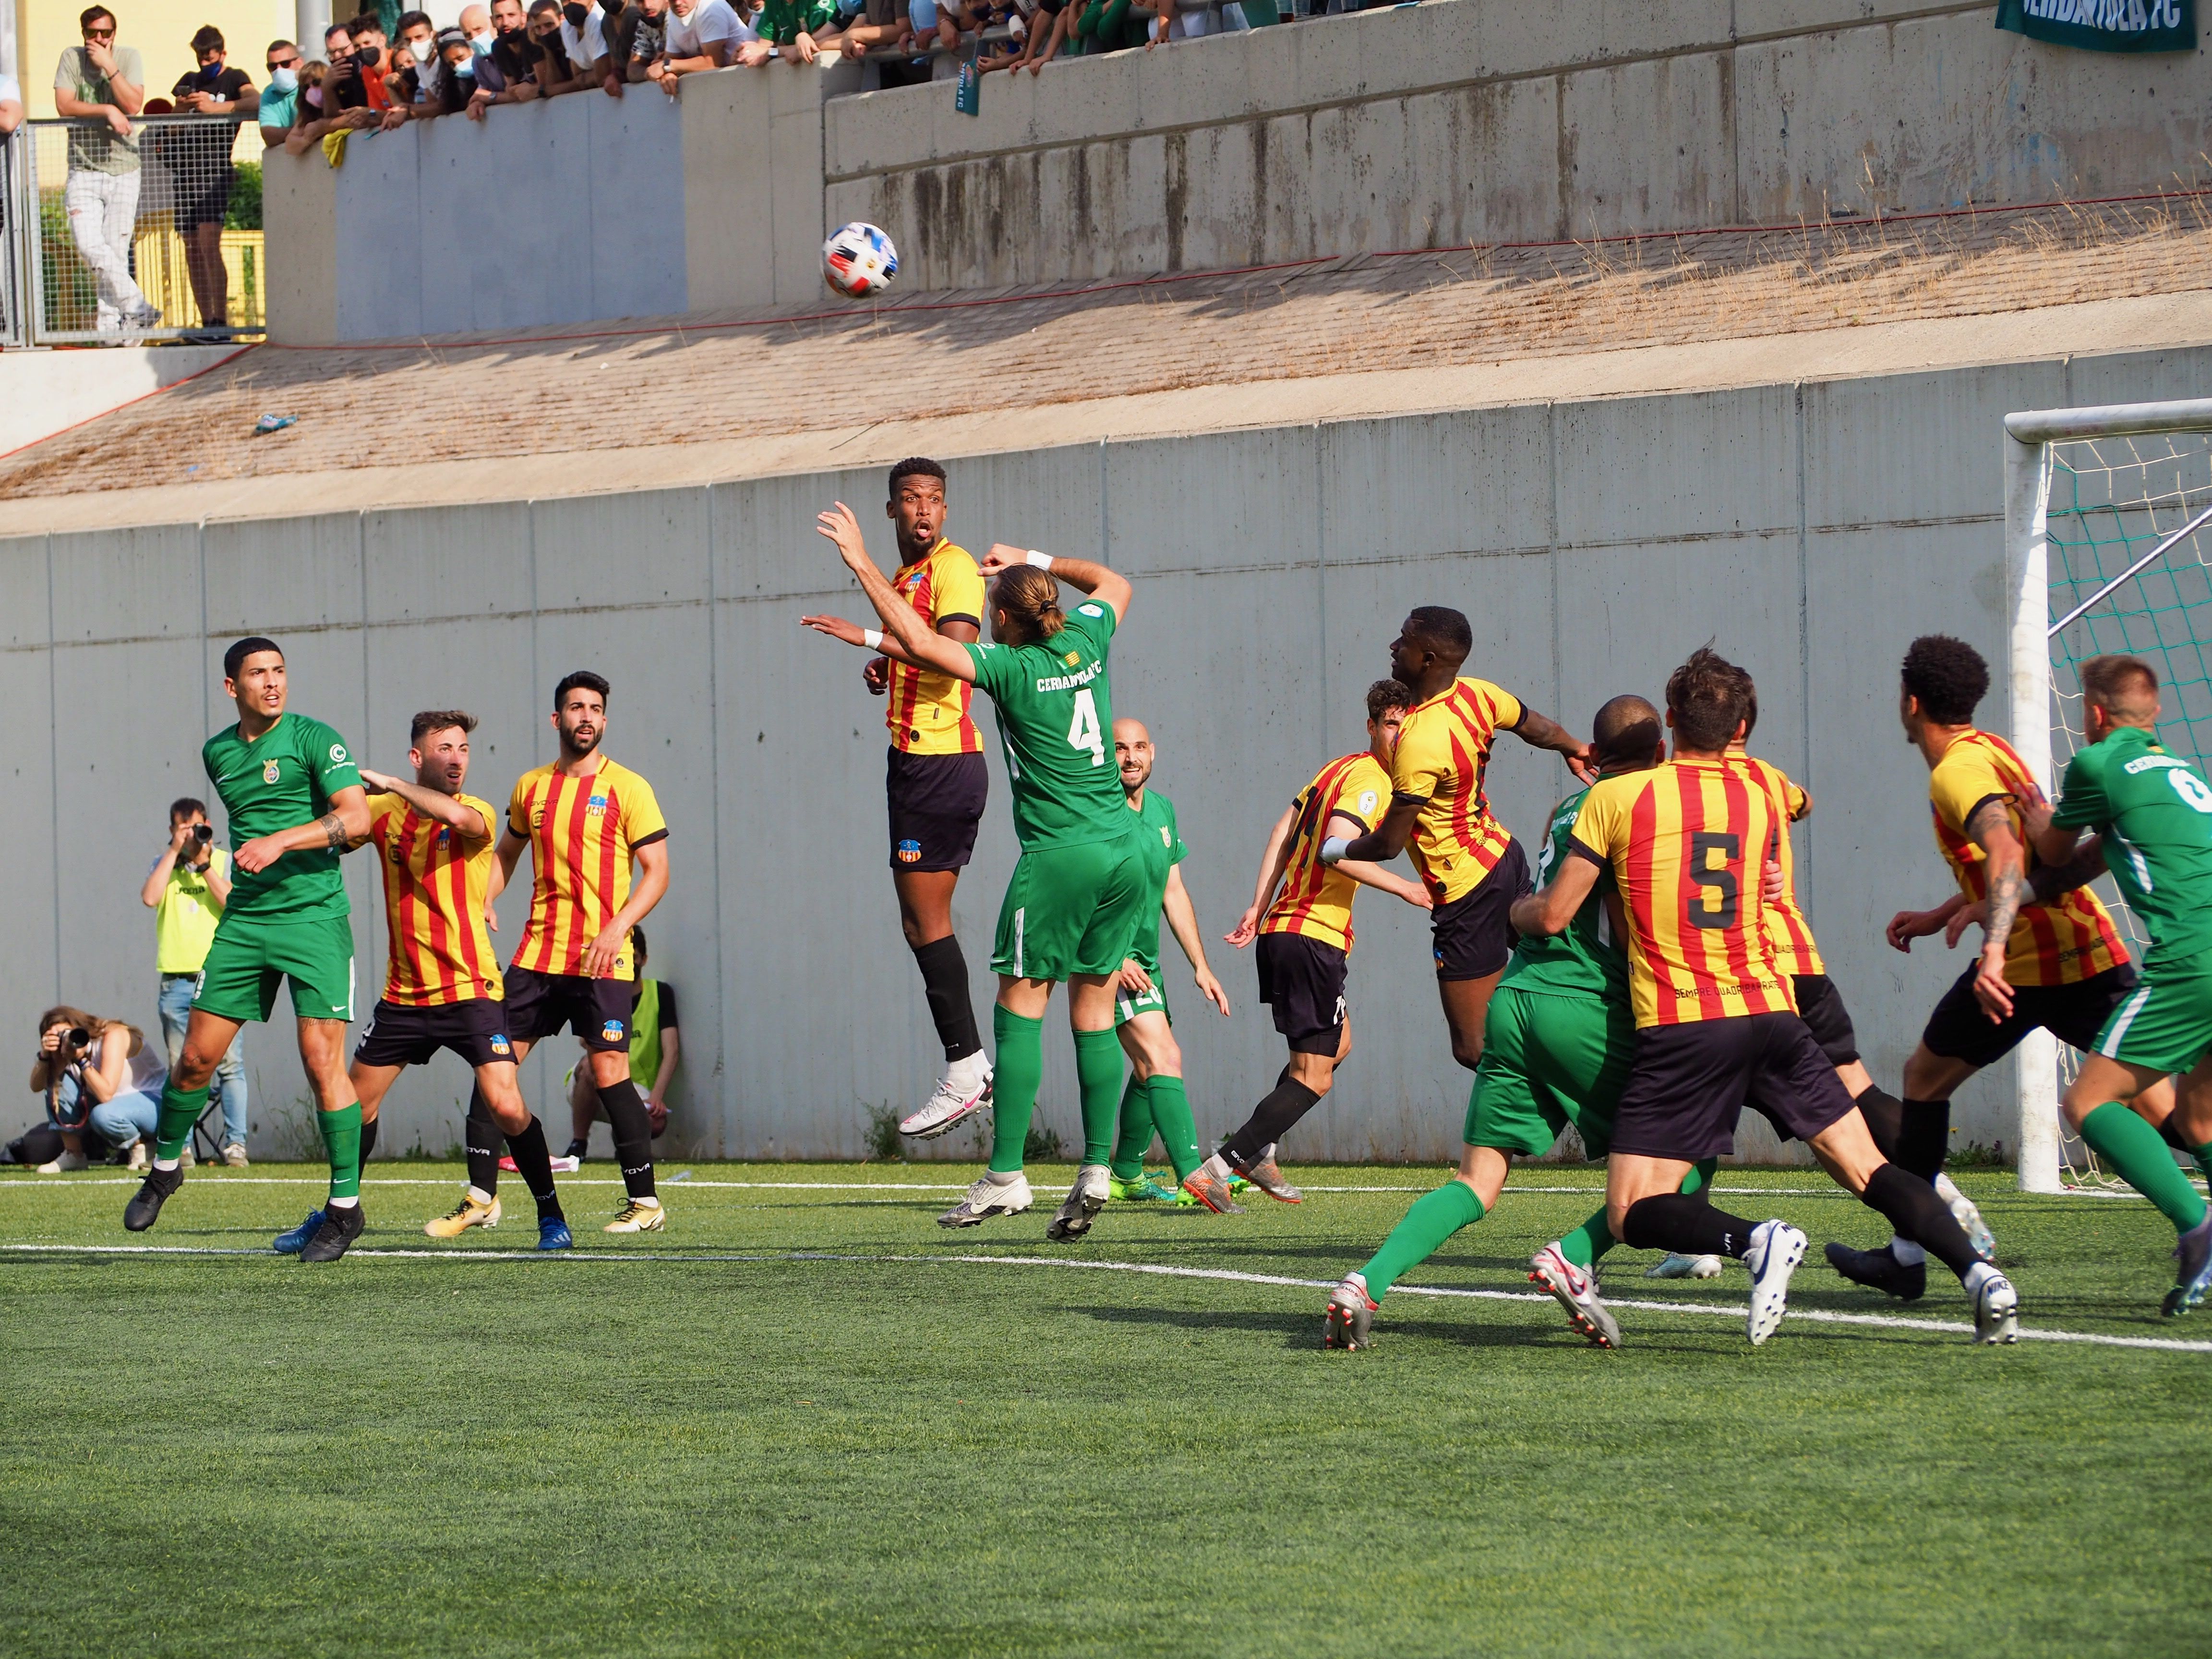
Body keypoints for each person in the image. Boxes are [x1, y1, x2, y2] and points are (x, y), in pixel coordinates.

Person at [1509, 647, 2018, 1346]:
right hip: (1775, 1012)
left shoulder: (1617, 797)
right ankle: (1981, 1276)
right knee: (1865, 1165)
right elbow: (1766, 864)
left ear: (1669, 722)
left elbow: (1559, 913)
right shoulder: (1763, 792)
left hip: (1686, 1023)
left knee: (1630, 1211)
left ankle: (1759, 1239)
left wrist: (1517, 912)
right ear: (1740, 724)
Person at [805, 517, 1140, 1241]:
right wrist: (1033, 556)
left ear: (1006, 620)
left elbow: (928, 645)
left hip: (1063, 856)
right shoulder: (1085, 637)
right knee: (1093, 1008)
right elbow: (1116, 583)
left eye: (994, 614)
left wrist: (862, 563)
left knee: (1020, 1006)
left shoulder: (1012, 668)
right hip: (1126, 850)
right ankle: (1096, 1167)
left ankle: (1006, 1177)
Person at [1327, 695, 1679, 1350]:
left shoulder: (1567, 808)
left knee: (1477, 1181)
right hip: (1587, 1007)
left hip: (1517, 1002)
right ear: (1659, 754)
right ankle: (1574, 1255)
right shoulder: (1643, 807)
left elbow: (1547, 902)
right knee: (1688, 1156)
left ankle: (1364, 1283)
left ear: (1594, 758)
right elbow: (1627, 927)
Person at [1834, 634, 2135, 1300]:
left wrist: (1992, 950)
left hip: (2036, 964)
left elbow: (2004, 853)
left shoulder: (1955, 773)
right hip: (2073, 951)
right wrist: (1951, 911)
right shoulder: (1991, 750)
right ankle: (1907, 1255)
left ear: (1910, 703)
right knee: (1925, 1077)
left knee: (2166, 1107)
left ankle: (1909, 1256)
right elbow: (2025, 857)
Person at [269, 711, 572, 1254]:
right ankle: (337, 1215)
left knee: (505, 1105)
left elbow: (464, 822)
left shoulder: (473, 809)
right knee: (353, 1108)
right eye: (444, 750)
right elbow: (337, 829)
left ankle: (552, 1217)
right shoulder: (383, 813)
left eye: (463, 749)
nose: (457, 759)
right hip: (404, 998)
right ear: (418, 757)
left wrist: (391, 784)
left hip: (471, 990)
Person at [122, 637, 375, 1264]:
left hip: (315, 921)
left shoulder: (317, 738)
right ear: (233, 687)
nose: (273, 682)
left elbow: (359, 820)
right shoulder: (218, 753)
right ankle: (165, 1169)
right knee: (194, 1061)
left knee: (322, 1063)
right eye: (258, 674)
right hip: (245, 924)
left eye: (280, 672)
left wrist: (284, 842)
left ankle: (344, 1210)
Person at [1190, 680, 1430, 1208]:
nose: (1399, 734)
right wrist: (1407, 889)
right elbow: (1334, 850)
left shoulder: (1337, 768)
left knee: (1335, 1047)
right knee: (1314, 1077)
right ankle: (1222, 1166)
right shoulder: (1373, 782)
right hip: (1310, 939)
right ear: (1372, 727)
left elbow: (1282, 831)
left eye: (1406, 725)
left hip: (1284, 931)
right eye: (1390, 724)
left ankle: (1261, 1149)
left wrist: (1258, 905)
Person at [1334, 606, 1595, 1076]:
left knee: (1473, 1048)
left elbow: (1390, 844)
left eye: (1404, 642)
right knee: (1553, 984)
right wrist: (1574, 747)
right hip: (1505, 858)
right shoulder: (1478, 694)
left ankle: (1576, 1099)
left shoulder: (1418, 741)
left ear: (1428, 659)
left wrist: (1338, 850)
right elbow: (1538, 728)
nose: (1394, 648)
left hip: (1466, 891)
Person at [2025, 655, 2212, 1313]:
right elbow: (2104, 855)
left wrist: (2035, 813)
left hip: (2191, 960)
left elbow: (2052, 853)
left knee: (2089, 1104)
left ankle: (2198, 1228)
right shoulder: (2183, 770)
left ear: (2096, 715)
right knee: (2196, 1116)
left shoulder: (2098, 764)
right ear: (2153, 712)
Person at [835, 460, 998, 1145]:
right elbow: (918, 648)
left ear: (945, 510)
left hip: (941, 762)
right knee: (917, 922)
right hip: (915, 762)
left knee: (928, 921)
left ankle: (968, 1067)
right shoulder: (908, 581)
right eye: (911, 500)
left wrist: (860, 570)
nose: (924, 510)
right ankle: (969, 1064)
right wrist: (889, 663)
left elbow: (956, 650)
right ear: (893, 509)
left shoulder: (952, 567)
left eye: (934, 500)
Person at [493, 671, 673, 1233]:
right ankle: (481, 1196)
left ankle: (645, 1203)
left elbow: (658, 872)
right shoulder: (531, 788)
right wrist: (481, 904)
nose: (587, 717)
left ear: (605, 719)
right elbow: (505, 856)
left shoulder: (629, 788)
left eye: (596, 708)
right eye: (576, 708)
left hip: (602, 958)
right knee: (494, 1064)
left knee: (609, 1069)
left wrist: (619, 927)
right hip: (538, 955)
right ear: (558, 719)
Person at [1101, 718, 1231, 1207]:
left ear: (1153, 753)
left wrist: (1200, 964)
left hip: (1146, 963)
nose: (1130, 757)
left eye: (1138, 747)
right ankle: (1196, 1179)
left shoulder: (1161, 811)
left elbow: (1173, 891)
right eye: (1118, 749)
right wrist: (1112, 960)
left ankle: (1127, 1175)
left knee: (1146, 1070)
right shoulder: (1095, 814)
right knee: (1164, 1058)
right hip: (1107, 962)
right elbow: (1076, 892)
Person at [140, 796, 249, 1165]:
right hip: (175, 982)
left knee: (231, 1064)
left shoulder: (222, 861)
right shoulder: (165, 865)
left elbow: (232, 901)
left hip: (219, 978)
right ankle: (180, 1145)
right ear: (172, 830)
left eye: (196, 827)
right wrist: (174, 853)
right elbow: (149, 897)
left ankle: (236, 1144)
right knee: (180, 1065)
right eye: (182, 828)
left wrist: (203, 865)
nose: (190, 834)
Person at [54, 6, 162, 335]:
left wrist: (110, 67)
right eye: (91, 33)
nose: (98, 40)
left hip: (124, 169)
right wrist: (105, 109)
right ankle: (138, 306)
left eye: (105, 33)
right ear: (83, 33)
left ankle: (111, 329)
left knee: (115, 251)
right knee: (89, 245)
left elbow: (134, 105)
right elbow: (64, 104)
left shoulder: (128, 57)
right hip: (84, 169)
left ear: (115, 34)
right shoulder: (72, 58)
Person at [559, 925, 678, 1167]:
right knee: (591, 1066)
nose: (628, 963)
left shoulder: (660, 994)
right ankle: (578, 1144)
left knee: (656, 1122)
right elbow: (585, 1042)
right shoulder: (602, 992)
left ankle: (624, 1141)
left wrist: (657, 1097)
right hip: (596, 1081)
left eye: (633, 957)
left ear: (643, 960)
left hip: (635, 1086)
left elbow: (672, 1051)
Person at [168, 24, 254, 337]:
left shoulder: (235, 78)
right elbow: (171, 131)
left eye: (211, 57)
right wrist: (180, 109)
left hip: (214, 170)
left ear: (223, 53)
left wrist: (215, 107)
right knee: (191, 248)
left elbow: (255, 102)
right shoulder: (187, 81)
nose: (206, 63)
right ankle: (207, 323)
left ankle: (221, 321)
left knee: (209, 244)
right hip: (185, 173)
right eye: (201, 58)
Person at [29, 1009, 168, 1173]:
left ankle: (142, 1148)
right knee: (56, 1082)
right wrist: (46, 1056)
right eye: (58, 1037)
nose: (67, 1040)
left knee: (103, 1115)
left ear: (81, 1027)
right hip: (117, 1107)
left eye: (68, 1033)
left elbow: (106, 1094)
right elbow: (37, 1086)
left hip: (156, 1104)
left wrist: (81, 1060)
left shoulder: (113, 1035)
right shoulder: (65, 1054)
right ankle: (74, 1155)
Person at [256, 40, 301, 145]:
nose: (279, 70)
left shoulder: (314, 86)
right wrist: (300, 132)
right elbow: (269, 135)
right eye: (273, 67)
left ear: (300, 63)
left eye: (285, 64)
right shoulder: (269, 93)